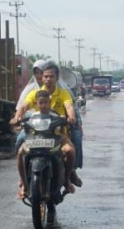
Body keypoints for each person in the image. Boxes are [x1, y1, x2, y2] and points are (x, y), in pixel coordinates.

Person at [11, 61, 81, 197]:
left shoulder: (64, 93)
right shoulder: (35, 93)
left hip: (58, 134)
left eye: (51, 76)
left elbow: (69, 107)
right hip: (35, 134)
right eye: (46, 76)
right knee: (19, 148)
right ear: (42, 78)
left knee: (70, 150)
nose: (48, 79)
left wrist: (71, 117)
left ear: (57, 78)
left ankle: (67, 179)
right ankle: (24, 181)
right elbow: (23, 107)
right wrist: (16, 118)